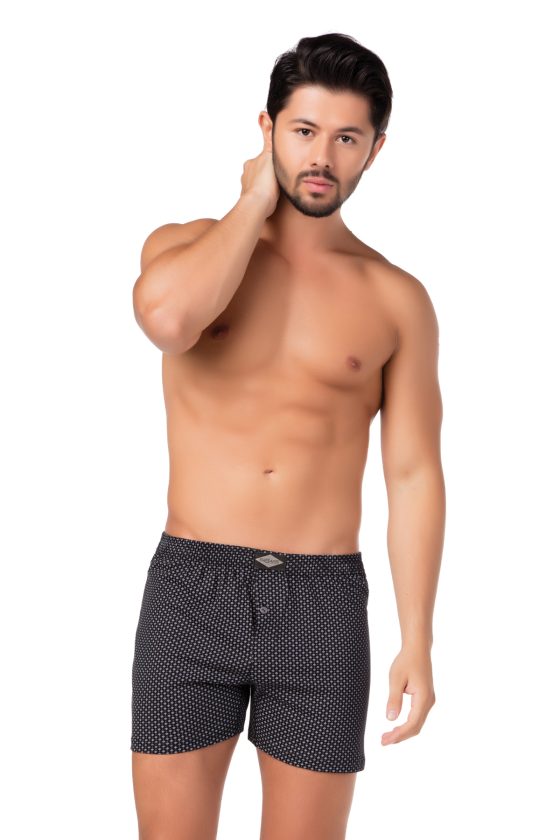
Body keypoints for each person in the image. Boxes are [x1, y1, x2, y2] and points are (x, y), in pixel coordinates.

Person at [130, 31, 445, 840]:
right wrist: (250, 205)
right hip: (191, 585)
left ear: (375, 150)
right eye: (304, 131)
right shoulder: (184, 248)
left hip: (323, 600)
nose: (322, 158)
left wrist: (417, 636)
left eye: (347, 138)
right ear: (267, 129)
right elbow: (168, 321)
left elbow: (413, 473)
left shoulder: (396, 299)